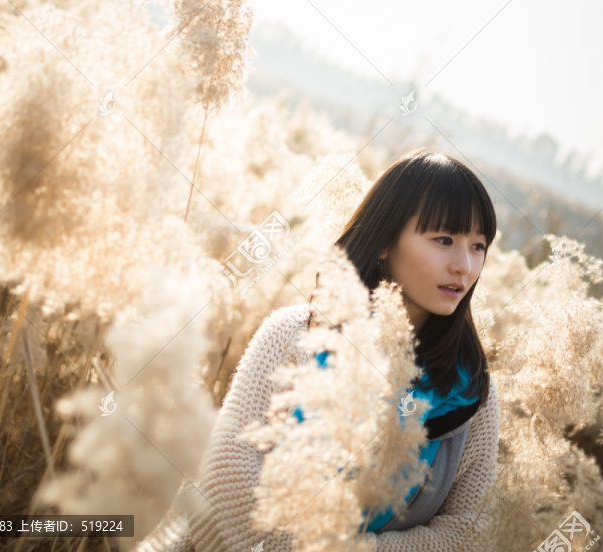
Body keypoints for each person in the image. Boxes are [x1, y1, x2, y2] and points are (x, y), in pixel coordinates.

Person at [134, 148, 501, 552]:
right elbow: (229, 473)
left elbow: (468, 527)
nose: (464, 265)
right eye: (444, 240)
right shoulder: (294, 335)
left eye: (478, 246)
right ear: (384, 242)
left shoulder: (472, 391)